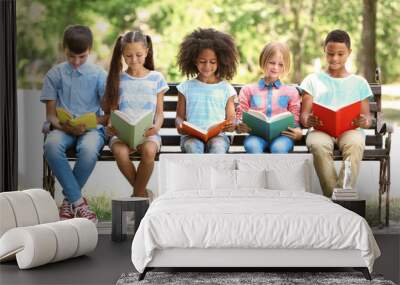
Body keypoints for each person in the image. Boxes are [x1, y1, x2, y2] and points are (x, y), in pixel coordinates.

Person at [41, 25, 107, 223]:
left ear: (90, 50)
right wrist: (65, 126)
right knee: (51, 146)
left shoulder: (99, 75)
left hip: (92, 128)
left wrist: (90, 123)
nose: (76, 62)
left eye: (82, 57)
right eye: (71, 56)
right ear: (64, 49)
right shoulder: (54, 75)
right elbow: (51, 116)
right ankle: (78, 202)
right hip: (63, 128)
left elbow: (108, 116)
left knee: (88, 149)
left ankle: (68, 202)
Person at [300, 29, 372, 197]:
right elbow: (304, 115)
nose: (335, 59)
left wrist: (365, 122)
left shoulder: (359, 83)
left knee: (355, 144)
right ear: (324, 51)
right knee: (317, 145)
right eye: (330, 54)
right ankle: (338, 199)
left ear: (349, 53)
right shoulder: (313, 80)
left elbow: (367, 117)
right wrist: (307, 120)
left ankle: (341, 195)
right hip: (320, 130)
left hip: (350, 130)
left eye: (340, 54)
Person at [102, 30, 168, 198]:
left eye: (139, 55)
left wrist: (156, 126)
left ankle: (137, 196)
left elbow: (160, 113)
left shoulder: (156, 78)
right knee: (120, 152)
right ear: (122, 55)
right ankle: (142, 194)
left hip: (148, 133)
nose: (134, 60)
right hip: (122, 134)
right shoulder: (118, 79)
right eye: (128, 56)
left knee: (149, 151)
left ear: (146, 51)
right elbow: (113, 111)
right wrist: (111, 126)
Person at [175, 28, 238, 153]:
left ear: (220, 61)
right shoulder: (185, 87)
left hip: (218, 136)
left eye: (212, 62)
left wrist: (232, 125)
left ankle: (214, 174)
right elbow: (179, 117)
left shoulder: (226, 89)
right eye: (202, 61)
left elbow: (231, 119)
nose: (207, 66)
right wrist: (180, 124)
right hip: (191, 137)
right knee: (193, 147)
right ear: (194, 61)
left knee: (217, 147)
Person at [236, 42, 302, 153]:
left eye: (280, 64)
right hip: (256, 137)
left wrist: (298, 133)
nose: (275, 67)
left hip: (283, 137)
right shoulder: (248, 90)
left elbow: (294, 121)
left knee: (279, 148)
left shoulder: (291, 92)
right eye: (272, 63)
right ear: (263, 61)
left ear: (286, 66)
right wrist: (239, 126)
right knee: (253, 146)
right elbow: (240, 117)